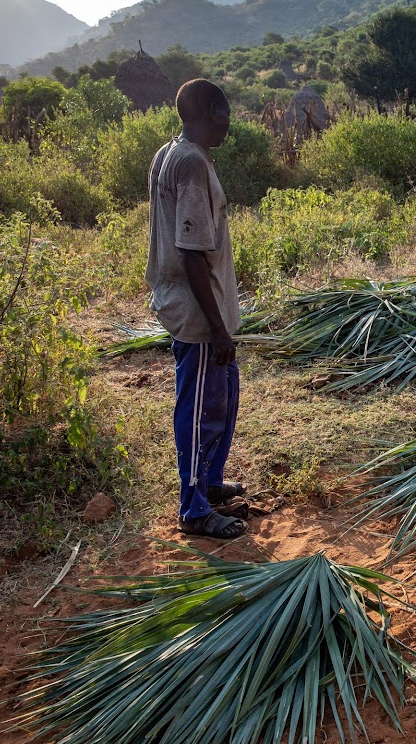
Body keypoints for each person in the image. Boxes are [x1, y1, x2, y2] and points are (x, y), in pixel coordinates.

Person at [145, 78, 247, 539]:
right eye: (223, 111)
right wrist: (218, 327)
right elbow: (191, 252)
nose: (229, 122)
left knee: (222, 395)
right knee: (199, 408)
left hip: (200, 310)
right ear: (207, 111)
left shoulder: (174, 153)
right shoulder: (189, 163)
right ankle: (194, 507)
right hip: (198, 314)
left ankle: (206, 483)